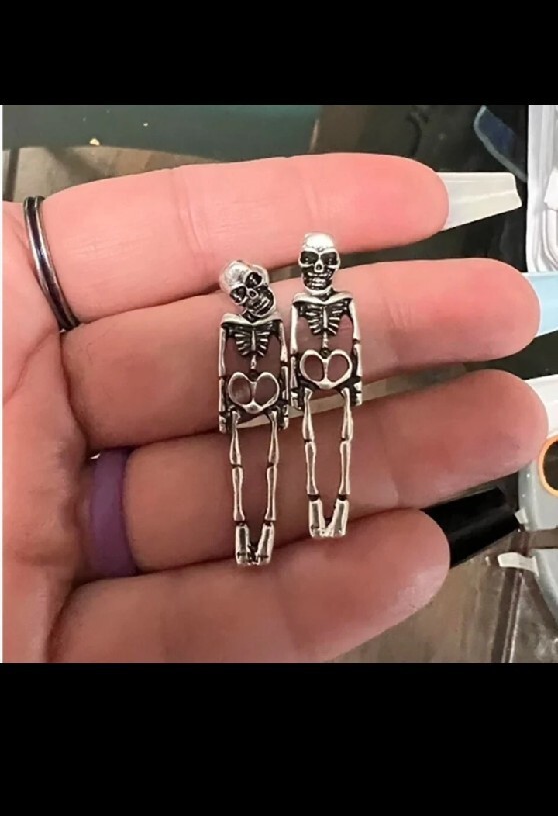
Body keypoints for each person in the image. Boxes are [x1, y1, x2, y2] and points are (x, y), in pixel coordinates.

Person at [3, 153, 545, 662]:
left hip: (313, 391)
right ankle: (255, 535)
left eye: (319, 264)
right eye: (251, 289)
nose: (262, 294)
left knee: (326, 459)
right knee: (253, 473)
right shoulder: (244, 322)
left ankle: (320, 516)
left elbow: (332, 347)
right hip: (253, 404)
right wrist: (251, 395)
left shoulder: (318, 308)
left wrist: (320, 383)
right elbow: (237, 362)